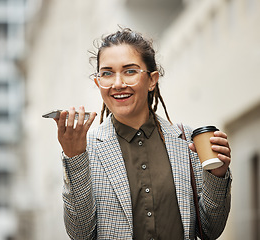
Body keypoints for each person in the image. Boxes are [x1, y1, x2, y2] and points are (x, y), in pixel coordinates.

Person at [54, 28, 232, 240]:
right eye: (107, 73)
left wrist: (217, 175)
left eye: (130, 71)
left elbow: (211, 230)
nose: (118, 84)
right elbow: (80, 234)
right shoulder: (84, 148)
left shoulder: (189, 142)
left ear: (152, 80)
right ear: (98, 83)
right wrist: (74, 158)